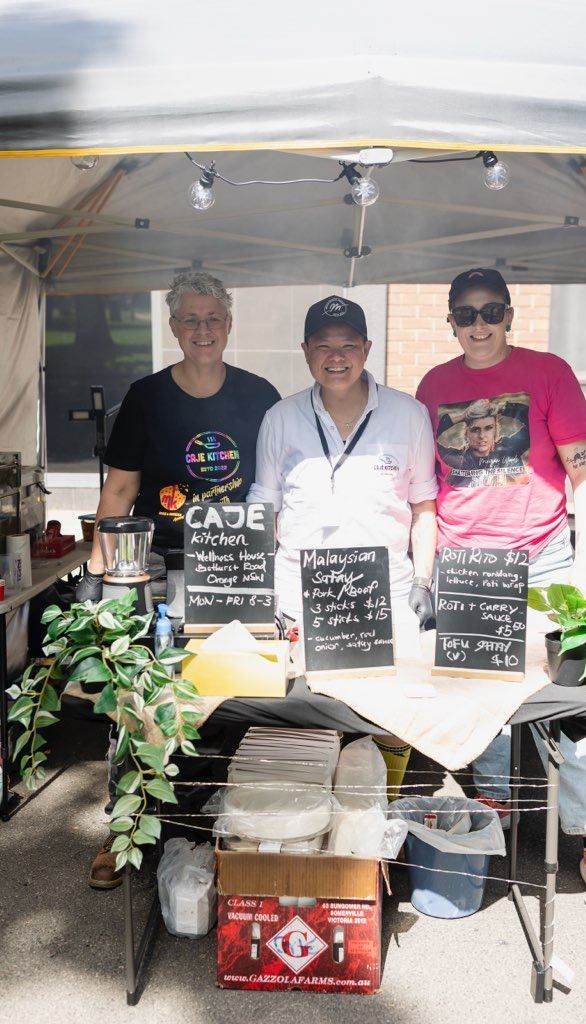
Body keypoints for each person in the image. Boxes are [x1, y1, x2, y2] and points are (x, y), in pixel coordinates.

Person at [417, 267, 586, 912]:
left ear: (509, 315)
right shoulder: (433, 385)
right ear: (450, 320)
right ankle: (496, 803)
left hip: (543, 564)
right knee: (482, 699)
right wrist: (425, 573)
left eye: (491, 311)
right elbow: (424, 487)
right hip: (466, 567)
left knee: (566, 706)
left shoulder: (548, 372)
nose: (479, 324)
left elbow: (585, 473)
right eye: (465, 313)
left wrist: (585, 566)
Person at [77, 271, 280, 888]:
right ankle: (125, 825)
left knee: (242, 695)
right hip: (160, 567)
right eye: (190, 320)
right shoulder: (145, 397)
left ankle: (243, 823)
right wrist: (95, 571)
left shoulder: (260, 394)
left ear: (229, 323)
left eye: (213, 318)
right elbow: (119, 488)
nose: (202, 330)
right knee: (140, 697)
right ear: (172, 327)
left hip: (238, 564)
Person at [247, 294, 437, 626]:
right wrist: (262, 592)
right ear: (306, 351)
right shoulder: (279, 418)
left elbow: (424, 508)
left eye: (348, 345)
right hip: (298, 603)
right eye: (323, 346)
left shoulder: (410, 415)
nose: (336, 357)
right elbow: (264, 512)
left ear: (367, 348)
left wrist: (422, 582)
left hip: (387, 601)